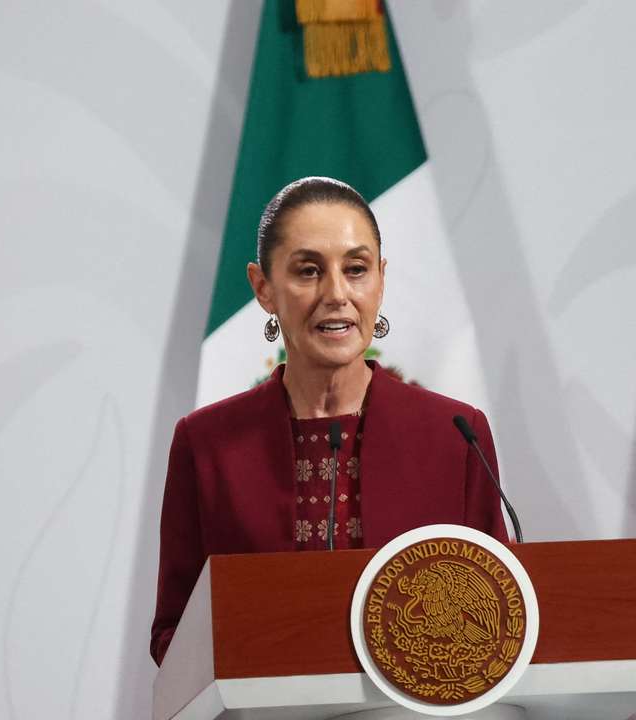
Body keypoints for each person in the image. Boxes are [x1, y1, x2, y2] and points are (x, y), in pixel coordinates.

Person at [150, 176, 508, 665]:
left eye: (356, 269)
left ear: (381, 279)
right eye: (308, 271)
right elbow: (173, 634)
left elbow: (498, 614)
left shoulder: (454, 434)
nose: (337, 293)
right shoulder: (206, 445)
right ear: (263, 288)